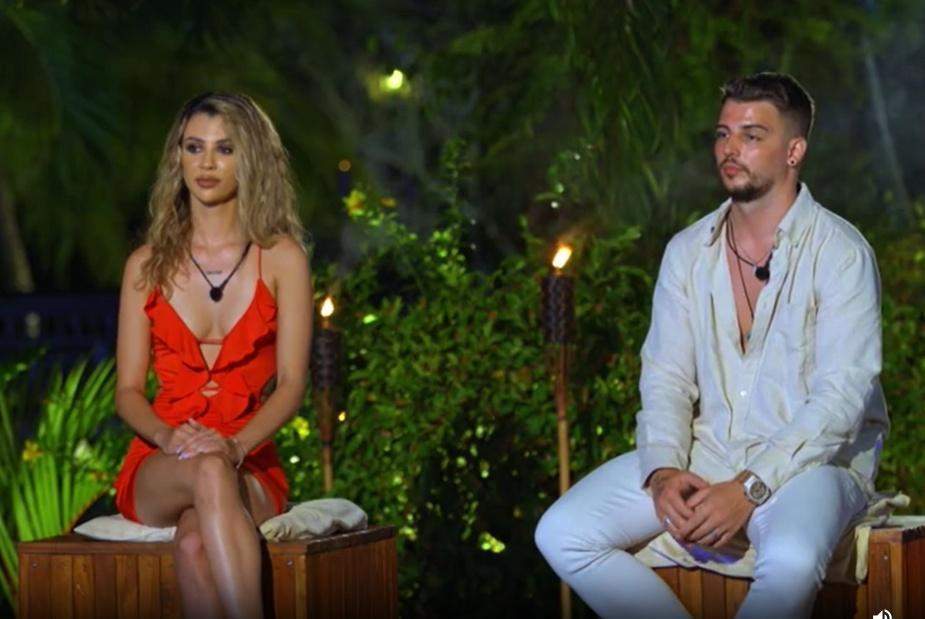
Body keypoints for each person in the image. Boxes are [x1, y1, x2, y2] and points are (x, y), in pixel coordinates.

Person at [535, 72, 889, 618]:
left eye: (752, 135)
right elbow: (666, 378)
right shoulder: (687, 252)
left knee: (793, 559)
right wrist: (663, 472)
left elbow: (840, 401)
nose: (730, 148)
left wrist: (748, 488)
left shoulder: (841, 253)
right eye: (723, 134)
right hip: (710, 452)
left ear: (794, 150)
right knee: (562, 531)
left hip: (813, 468)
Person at [112, 92, 313, 619]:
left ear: (250, 160)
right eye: (193, 147)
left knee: (194, 543)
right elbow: (127, 392)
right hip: (163, 461)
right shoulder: (145, 266)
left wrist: (236, 446)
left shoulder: (282, 259)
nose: (206, 163)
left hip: (250, 458)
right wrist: (168, 437)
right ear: (176, 158)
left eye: (224, 149)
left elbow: (292, 383)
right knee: (204, 468)